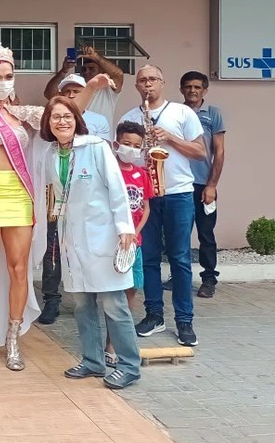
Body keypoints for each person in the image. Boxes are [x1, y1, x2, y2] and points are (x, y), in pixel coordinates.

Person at [0, 41, 109, 369]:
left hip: (18, 197)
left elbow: (66, 115)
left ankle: (14, 339)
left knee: (19, 269)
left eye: (8, 75)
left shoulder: (24, 114)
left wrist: (91, 87)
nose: (4, 81)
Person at [40, 97, 141, 389]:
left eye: (67, 116)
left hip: (104, 234)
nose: (62, 121)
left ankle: (129, 366)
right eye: (55, 117)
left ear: (77, 120)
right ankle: (93, 361)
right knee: (83, 304)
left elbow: (116, 188)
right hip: (72, 237)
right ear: (48, 123)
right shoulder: (49, 153)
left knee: (114, 304)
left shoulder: (96, 147)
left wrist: (125, 228)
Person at [118, 65, 206, 347]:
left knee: (180, 258)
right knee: (150, 257)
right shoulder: (130, 117)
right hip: (146, 195)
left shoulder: (182, 113)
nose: (148, 85)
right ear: (137, 86)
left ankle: (184, 320)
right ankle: (154, 314)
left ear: (162, 83)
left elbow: (201, 152)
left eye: (153, 79)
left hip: (178, 192)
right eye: (142, 80)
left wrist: (169, 137)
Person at [37, 72, 110, 324]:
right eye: (66, 91)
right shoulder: (53, 128)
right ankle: (51, 299)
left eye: (76, 91)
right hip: (56, 202)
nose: (71, 96)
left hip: (88, 203)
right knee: (53, 252)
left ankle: (93, 295)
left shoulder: (95, 125)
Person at [104, 121, 152, 365]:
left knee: (131, 290)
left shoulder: (142, 174)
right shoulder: (109, 171)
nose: (131, 149)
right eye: (126, 144)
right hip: (111, 241)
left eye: (136, 146)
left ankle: (120, 339)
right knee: (111, 294)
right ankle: (108, 345)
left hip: (135, 243)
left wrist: (135, 232)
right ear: (116, 144)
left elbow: (145, 207)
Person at [176, 71, 226, 299]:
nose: (192, 91)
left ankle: (208, 279)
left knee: (206, 234)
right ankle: (178, 277)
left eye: (197, 87)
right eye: (188, 87)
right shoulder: (176, 113)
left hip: (202, 185)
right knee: (180, 234)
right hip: (180, 184)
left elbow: (220, 151)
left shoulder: (213, 114)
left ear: (205, 90)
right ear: (181, 89)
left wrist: (212, 185)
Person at [44, 45, 123, 129]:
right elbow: (49, 94)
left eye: (91, 69)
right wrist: (64, 70)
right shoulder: (75, 85)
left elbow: (118, 74)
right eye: (83, 69)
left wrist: (96, 56)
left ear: (101, 71)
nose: (86, 72)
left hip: (101, 137)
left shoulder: (108, 87)